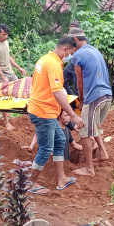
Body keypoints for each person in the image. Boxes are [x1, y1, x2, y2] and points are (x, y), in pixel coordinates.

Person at [27, 36, 84, 195]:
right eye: (71, 52)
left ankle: (61, 179)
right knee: (45, 149)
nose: (70, 56)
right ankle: (30, 182)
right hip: (43, 112)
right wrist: (73, 115)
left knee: (60, 140)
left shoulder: (45, 59)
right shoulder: (53, 65)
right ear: (66, 49)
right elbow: (58, 92)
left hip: (45, 110)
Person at [67, 27, 113, 177]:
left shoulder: (78, 56)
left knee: (84, 131)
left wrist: (81, 100)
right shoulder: (95, 50)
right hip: (107, 95)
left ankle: (89, 169)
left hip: (94, 96)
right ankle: (103, 153)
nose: (70, 51)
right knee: (93, 125)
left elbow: (79, 82)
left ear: (75, 40)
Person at [0, 24, 27, 131]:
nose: (5, 37)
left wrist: (19, 67)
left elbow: (8, 56)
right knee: (4, 97)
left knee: (20, 89)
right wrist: (2, 77)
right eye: (3, 34)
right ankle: (6, 121)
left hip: (10, 72)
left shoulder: (6, 42)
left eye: (7, 34)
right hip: (2, 73)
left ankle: (19, 113)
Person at [63, 20, 81, 96]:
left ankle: (78, 105)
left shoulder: (82, 39)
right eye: (70, 30)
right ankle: (71, 100)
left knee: (77, 88)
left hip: (77, 65)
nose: (70, 31)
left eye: (72, 30)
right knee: (62, 81)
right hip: (70, 64)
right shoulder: (70, 38)